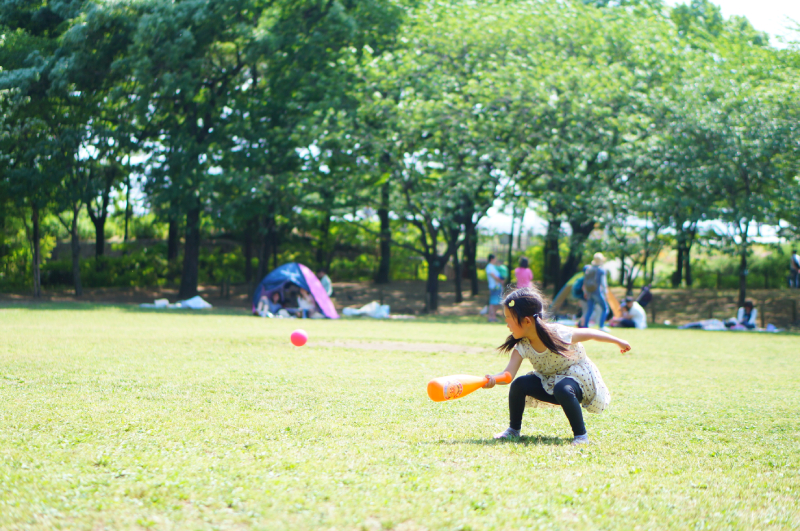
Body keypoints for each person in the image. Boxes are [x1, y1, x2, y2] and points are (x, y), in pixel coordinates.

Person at [483, 286, 631, 446]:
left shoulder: (558, 333)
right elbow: (509, 375)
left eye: (508, 318)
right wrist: (493, 379)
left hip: (576, 381)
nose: (507, 324)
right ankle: (513, 430)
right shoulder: (523, 345)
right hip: (549, 383)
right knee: (519, 384)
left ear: (526, 321)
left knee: (562, 388)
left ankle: (581, 436)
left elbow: (591, 333)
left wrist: (618, 341)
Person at [582, 253, 609, 330]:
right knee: (605, 308)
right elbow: (603, 283)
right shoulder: (601, 270)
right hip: (597, 292)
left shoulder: (588, 268)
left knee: (590, 309)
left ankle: (585, 326)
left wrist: (585, 291)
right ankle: (601, 326)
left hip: (589, 292)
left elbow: (585, 281)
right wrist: (606, 293)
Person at [485, 254, 504, 323]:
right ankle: (490, 317)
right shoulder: (489, 267)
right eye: (495, 258)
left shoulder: (494, 267)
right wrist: (500, 280)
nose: (496, 260)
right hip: (494, 287)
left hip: (498, 286)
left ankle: (493, 316)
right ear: (492, 259)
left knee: (498, 302)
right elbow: (494, 276)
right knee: (493, 303)